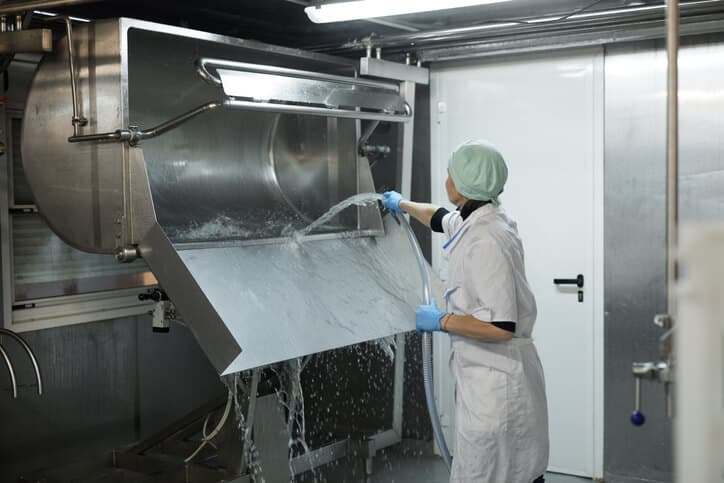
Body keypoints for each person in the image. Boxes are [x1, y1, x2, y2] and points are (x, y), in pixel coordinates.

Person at [382, 140, 549, 483]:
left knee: (491, 471)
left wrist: (442, 321)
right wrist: (403, 205)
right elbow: (440, 218)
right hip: (485, 379)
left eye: (450, 173)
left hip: (497, 385)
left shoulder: (486, 240)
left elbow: (501, 325)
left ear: (462, 184)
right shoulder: (478, 219)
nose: (446, 179)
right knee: (500, 470)